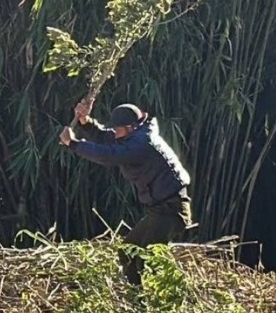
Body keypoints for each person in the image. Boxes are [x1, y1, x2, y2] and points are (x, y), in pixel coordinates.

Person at [58, 99, 193, 284]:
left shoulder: (142, 143)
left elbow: (109, 155)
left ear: (130, 127)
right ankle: (137, 298)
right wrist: (85, 121)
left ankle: (161, 299)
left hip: (172, 210)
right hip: (159, 210)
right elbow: (107, 138)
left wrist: (73, 144)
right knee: (128, 251)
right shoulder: (134, 135)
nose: (114, 132)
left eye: (117, 129)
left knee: (146, 259)